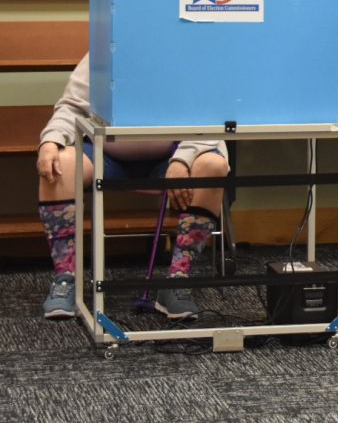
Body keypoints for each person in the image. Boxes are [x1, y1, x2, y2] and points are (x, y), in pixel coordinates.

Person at [36, 53, 229, 321]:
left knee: (212, 166)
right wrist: (51, 141)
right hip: (106, 154)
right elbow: (72, 108)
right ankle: (66, 279)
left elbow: (212, 114)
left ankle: (177, 282)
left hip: (175, 154)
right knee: (61, 164)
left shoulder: (191, 51)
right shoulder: (102, 50)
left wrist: (182, 160)